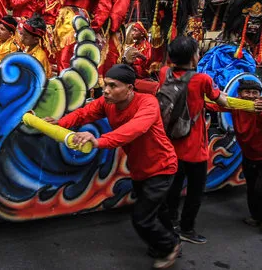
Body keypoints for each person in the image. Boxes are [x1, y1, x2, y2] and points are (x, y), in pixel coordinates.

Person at [50, 64, 181, 269]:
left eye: (113, 85)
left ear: (130, 88)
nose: (106, 90)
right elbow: (84, 114)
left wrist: (98, 141)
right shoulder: (107, 102)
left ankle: (169, 245)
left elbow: (134, 129)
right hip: (139, 169)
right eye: (105, 85)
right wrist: (58, 124)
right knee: (158, 210)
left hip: (162, 166)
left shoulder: (148, 103)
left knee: (142, 218)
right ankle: (170, 240)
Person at [158, 36, 228, 245]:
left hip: (170, 144)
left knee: (173, 187)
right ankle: (187, 228)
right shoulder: (202, 80)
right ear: (193, 58)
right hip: (194, 148)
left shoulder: (164, 73)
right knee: (195, 191)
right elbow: (221, 100)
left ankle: (170, 223)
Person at [206, 80, 262, 233]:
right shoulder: (235, 105)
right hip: (250, 154)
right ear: (240, 93)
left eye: (255, 93)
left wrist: (259, 111)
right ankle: (256, 216)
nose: (250, 96)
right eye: (247, 92)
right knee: (252, 187)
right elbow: (213, 105)